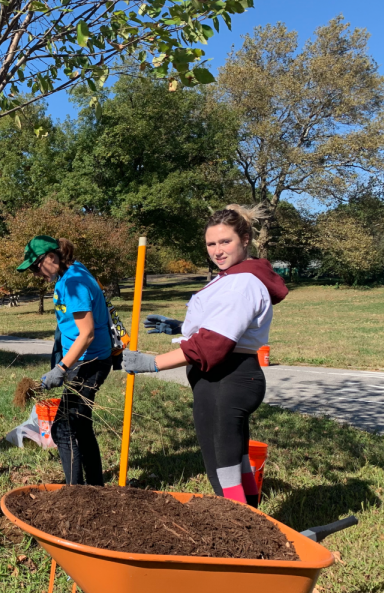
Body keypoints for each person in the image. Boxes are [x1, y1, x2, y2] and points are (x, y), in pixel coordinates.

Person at [122, 205, 288, 507]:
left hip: (227, 379)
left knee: (222, 472)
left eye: (225, 242)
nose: (217, 250)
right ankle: (254, 524)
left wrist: (152, 363)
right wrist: (182, 328)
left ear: (245, 239)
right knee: (235, 464)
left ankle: (240, 533)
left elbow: (213, 344)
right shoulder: (232, 277)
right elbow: (220, 324)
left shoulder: (241, 282)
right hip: (225, 378)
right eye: (211, 244)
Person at [17, 236, 114, 486]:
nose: (35, 273)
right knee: (80, 425)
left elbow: (87, 333)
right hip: (82, 360)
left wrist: (61, 369)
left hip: (88, 363)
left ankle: (76, 492)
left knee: (64, 429)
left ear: (52, 257)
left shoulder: (75, 284)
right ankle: (94, 486)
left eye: (36, 266)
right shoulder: (68, 275)